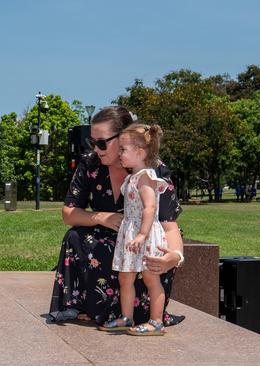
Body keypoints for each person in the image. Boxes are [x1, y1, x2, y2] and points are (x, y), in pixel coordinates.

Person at [49, 106, 185, 327]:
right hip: (113, 238)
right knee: (75, 238)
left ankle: (142, 314)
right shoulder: (90, 163)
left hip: (145, 243)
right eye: (92, 142)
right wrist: (101, 217)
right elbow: (69, 213)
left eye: (102, 142)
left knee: (151, 259)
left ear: (125, 138)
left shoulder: (154, 171)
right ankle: (92, 305)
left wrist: (175, 256)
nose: (96, 149)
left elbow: (169, 225)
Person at [99, 123, 171, 335]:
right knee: (125, 277)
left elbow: (150, 207)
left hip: (145, 234)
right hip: (131, 233)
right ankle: (126, 317)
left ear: (139, 152)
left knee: (150, 277)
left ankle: (157, 322)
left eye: (123, 149)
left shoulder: (146, 177)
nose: (119, 153)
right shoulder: (131, 177)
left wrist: (141, 234)